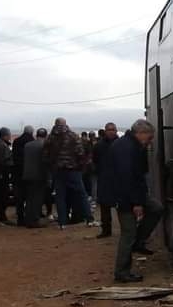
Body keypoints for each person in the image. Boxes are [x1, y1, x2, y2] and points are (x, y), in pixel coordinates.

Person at [110, 120, 163, 283]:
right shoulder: (127, 148)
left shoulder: (129, 145)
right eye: (149, 137)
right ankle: (122, 272)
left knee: (156, 208)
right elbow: (128, 178)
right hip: (126, 196)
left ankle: (138, 242)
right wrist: (136, 203)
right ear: (140, 133)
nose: (150, 141)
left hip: (130, 194)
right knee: (128, 233)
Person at [43, 118, 97, 229]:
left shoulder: (50, 138)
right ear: (65, 124)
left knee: (60, 196)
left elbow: (45, 155)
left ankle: (62, 222)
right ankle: (89, 219)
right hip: (73, 170)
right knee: (82, 194)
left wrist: (52, 166)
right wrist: (81, 167)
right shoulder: (72, 136)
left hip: (58, 171)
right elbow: (81, 153)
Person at [93, 122, 119, 238]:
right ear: (105, 131)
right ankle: (106, 230)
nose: (111, 132)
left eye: (113, 129)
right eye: (109, 130)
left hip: (119, 178)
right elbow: (95, 160)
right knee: (104, 206)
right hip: (104, 177)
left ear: (116, 130)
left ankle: (126, 230)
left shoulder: (120, 144)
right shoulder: (99, 145)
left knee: (122, 206)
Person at [22, 128, 50, 228]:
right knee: (37, 199)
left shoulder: (27, 145)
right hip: (39, 175)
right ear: (45, 136)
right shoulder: (45, 146)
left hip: (27, 174)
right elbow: (46, 161)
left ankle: (28, 219)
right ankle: (34, 220)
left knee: (30, 198)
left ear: (36, 135)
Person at [12, 125, 35, 226]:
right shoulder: (32, 141)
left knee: (19, 197)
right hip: (29, 173)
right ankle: (30, 218)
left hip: (17, 172)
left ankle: (20, 218)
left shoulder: (16, 141)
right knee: (30, 196)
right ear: (31, 132)